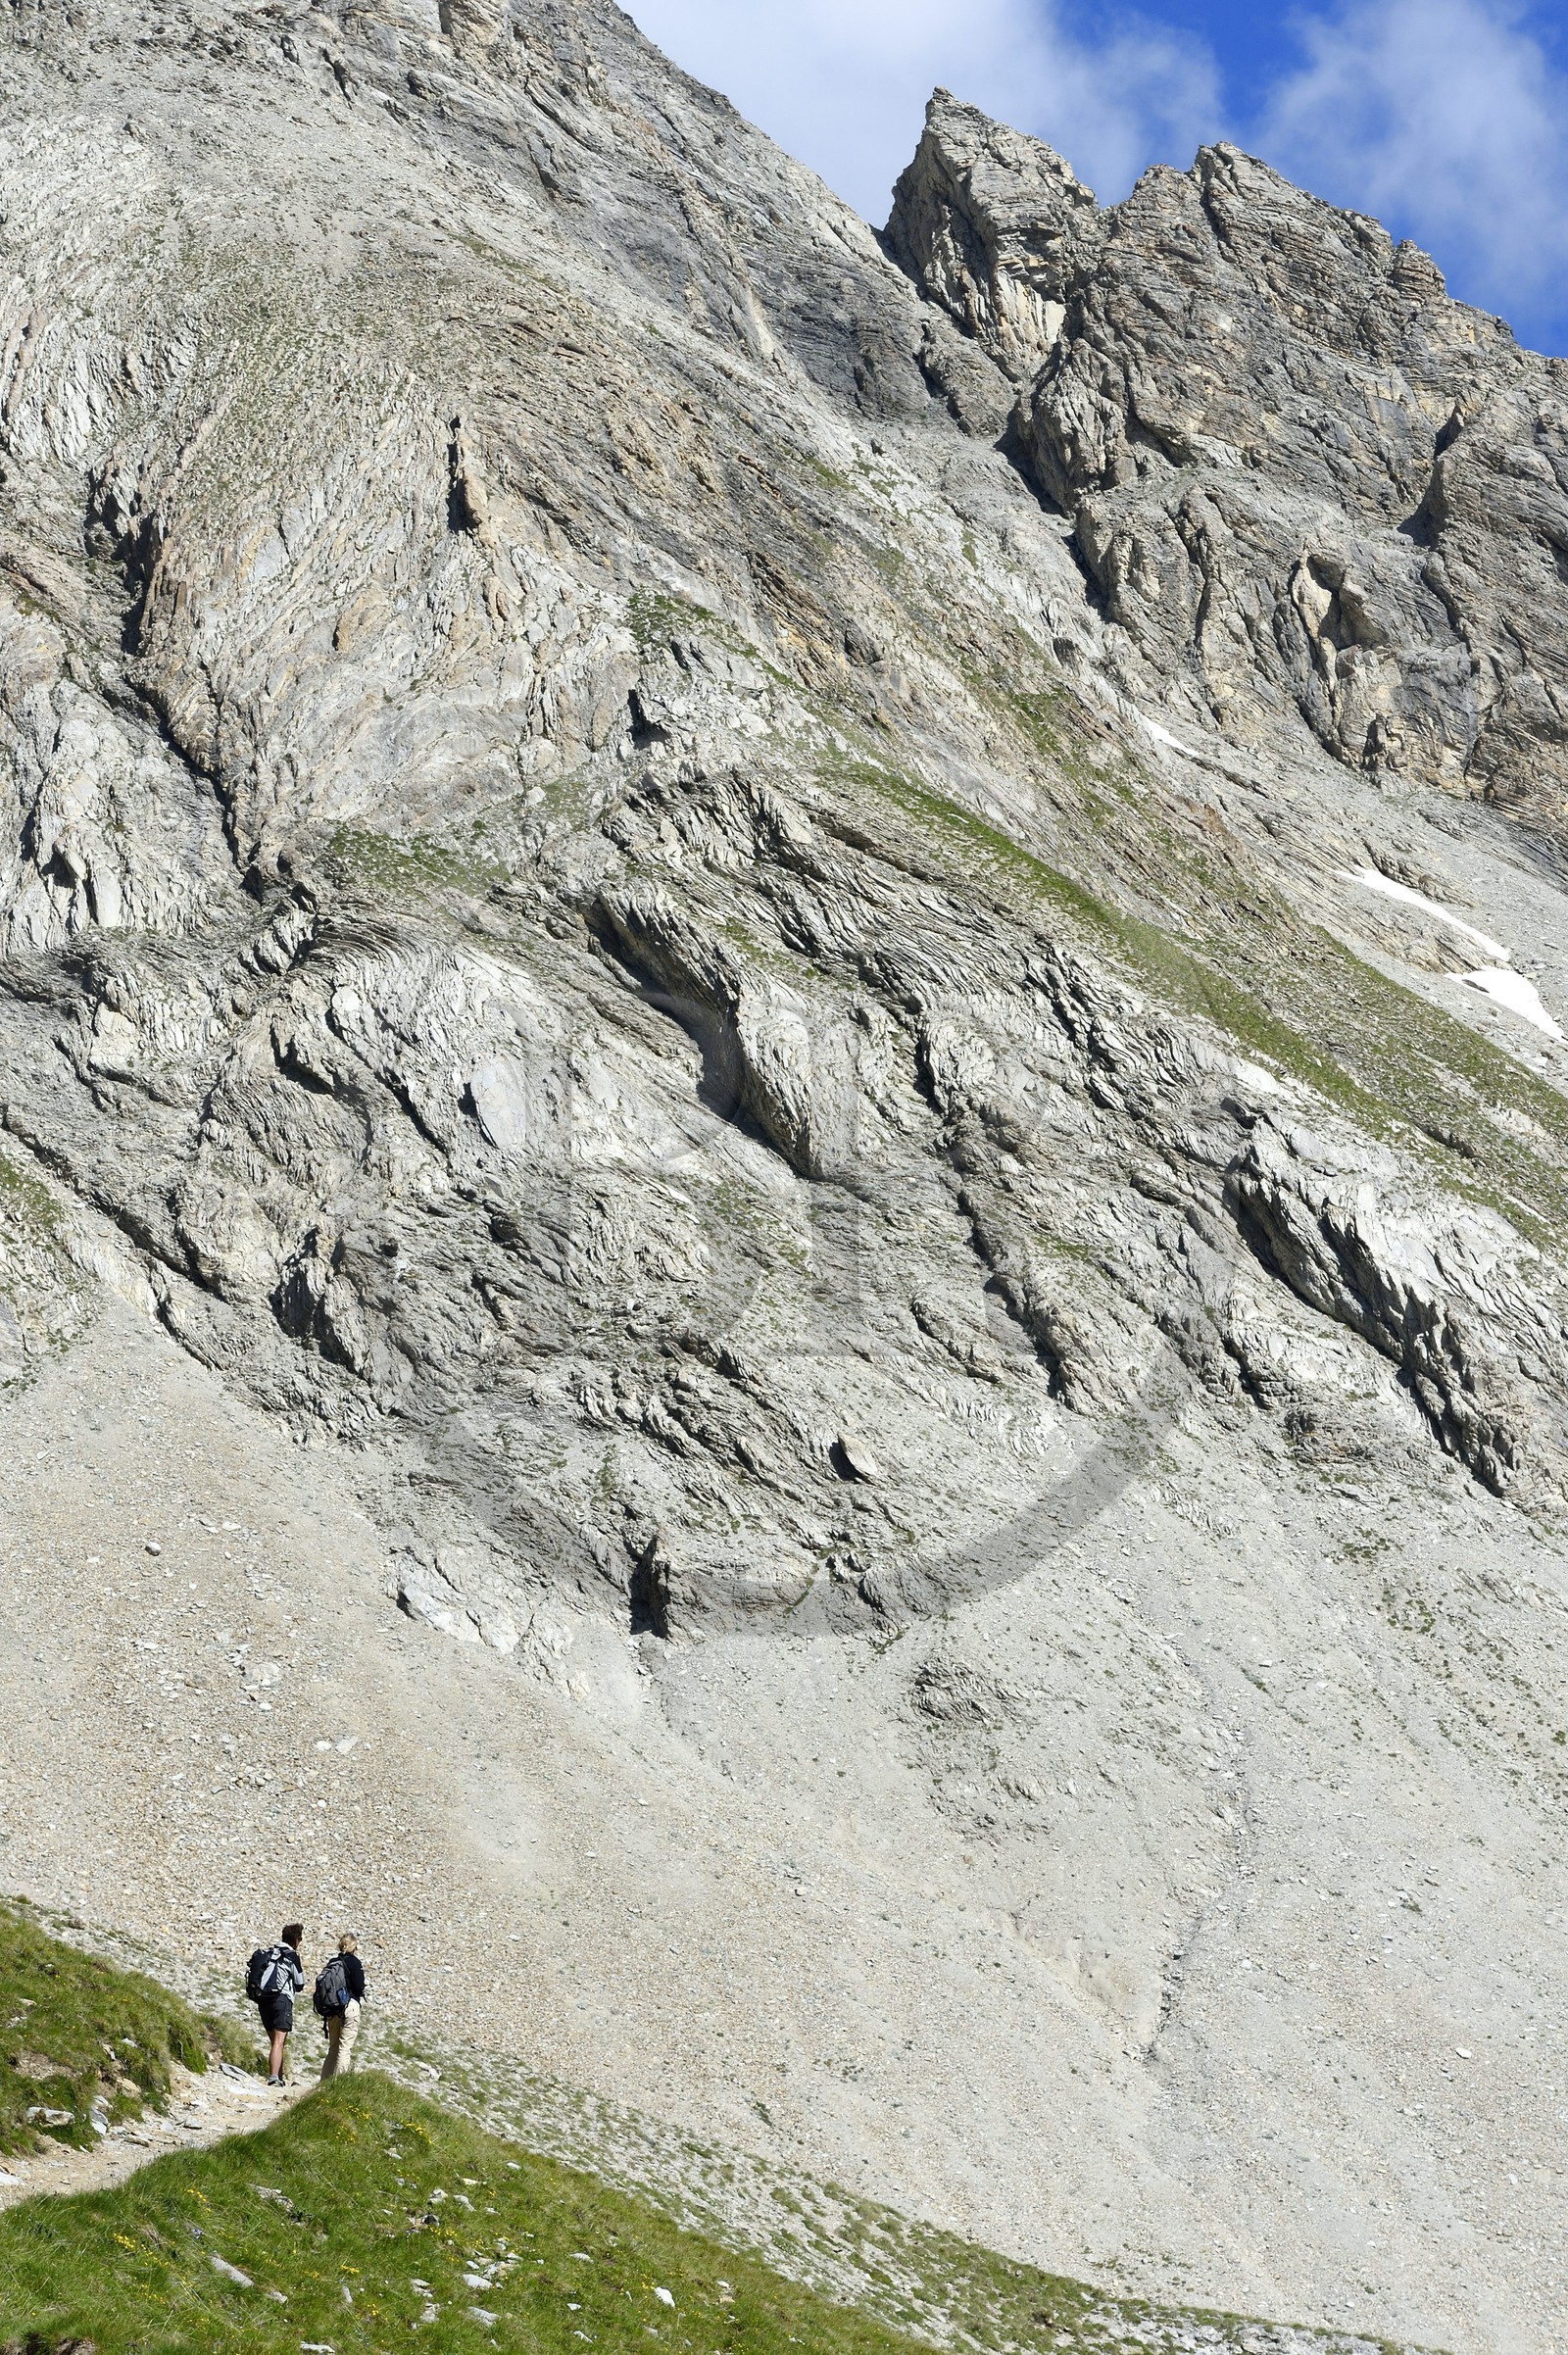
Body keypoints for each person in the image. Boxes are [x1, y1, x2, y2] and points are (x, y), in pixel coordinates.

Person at [257, 1922, 306, 2086]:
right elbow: (300, 1983)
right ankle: (273, 2077)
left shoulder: (269, 1952)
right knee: (279, 2041)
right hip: (281, 1999)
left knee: (275, 2041)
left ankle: (279, 2076)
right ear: (296, 1940)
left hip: (263, 1999)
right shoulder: (292, 1956)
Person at [318, 1933, 367, 2082]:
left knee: (333, 2048)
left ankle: (324, 2083)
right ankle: (338, 2085)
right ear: (354, 1947)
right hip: (349, 2006)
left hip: (333, 2009)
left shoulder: (333, 1962)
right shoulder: (355, 1963)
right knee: (345, 2048)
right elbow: (359, 1987)